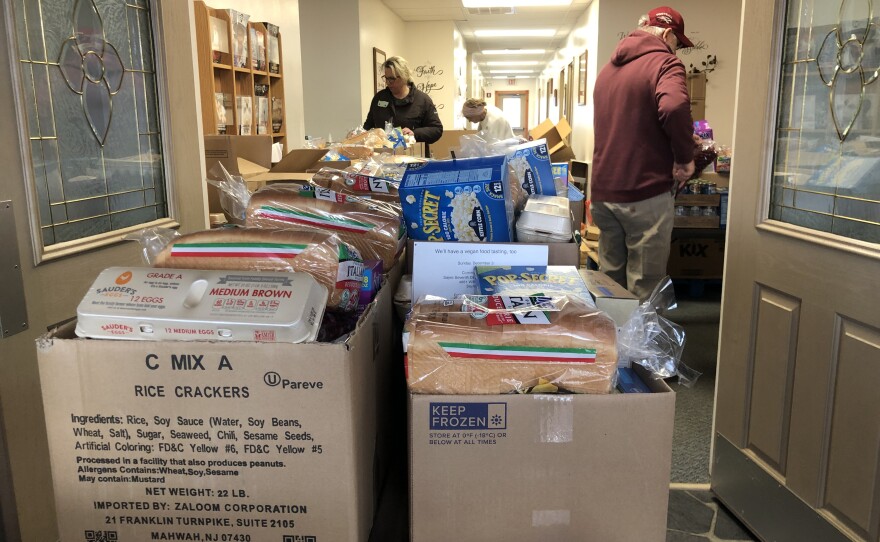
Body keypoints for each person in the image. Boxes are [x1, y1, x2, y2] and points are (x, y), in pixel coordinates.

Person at [590, 6, 696, 301]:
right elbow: (673, 107)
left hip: (604, 193)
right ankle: (639, 348)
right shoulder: (665, 63)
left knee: (611, 284)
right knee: (644, 289)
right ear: (667, 33)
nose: (677, 51)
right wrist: (685, 157)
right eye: (678, 43)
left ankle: (611, 344)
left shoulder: (607, 69)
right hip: (644, 192)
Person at [364, 56, 443, 146]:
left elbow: (436, 129)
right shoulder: (379, 98)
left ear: (404, 76)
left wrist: (414, 133)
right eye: (386, 78)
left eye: (392, 79)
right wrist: (359, 136)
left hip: (413, 156)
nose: (388, 82)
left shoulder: (422, 100)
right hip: (384, 157)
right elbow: (368, 126)